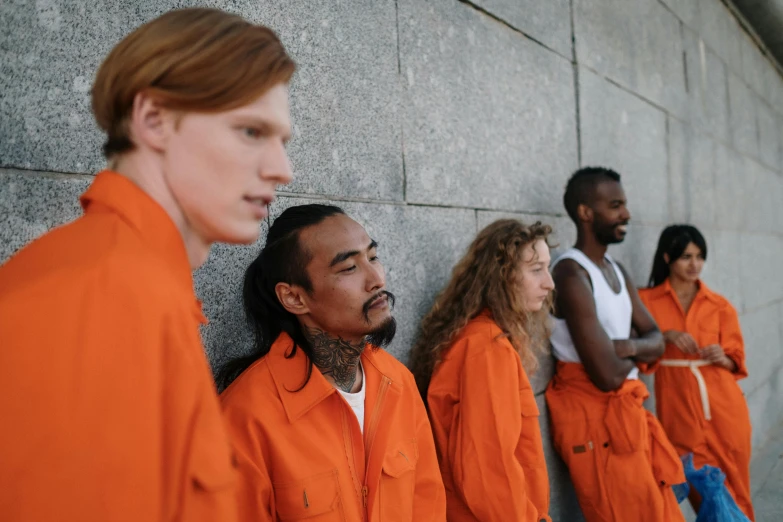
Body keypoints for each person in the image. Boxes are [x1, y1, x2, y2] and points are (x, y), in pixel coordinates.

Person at [0, 8, 294, 521]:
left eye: (282, 141)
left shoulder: (134, 283)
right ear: (153, 120)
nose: (282, 169)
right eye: (251, 132)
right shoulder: (99, 296)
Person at [219, 204, 446, 522]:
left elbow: (428, 505)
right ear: (295, 298)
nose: (376, 279)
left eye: (372, 257)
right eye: (349, 268)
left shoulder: (398, 383)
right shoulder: (246, 415)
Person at [544, 167, 686, 522]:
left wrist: (624, 347)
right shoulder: (570, 273)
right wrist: (638, 348)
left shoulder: (616, 270)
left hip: (626, 414)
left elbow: (656, 338)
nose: (627, 214)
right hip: (596, 423)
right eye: (616, 205)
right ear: (586, 212)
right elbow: (606, 375)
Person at [409, 219, 555, 522]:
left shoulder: (481, 337)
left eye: (547, 267)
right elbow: (489, 466)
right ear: (503, 276)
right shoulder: (487, 347)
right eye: (536, 269)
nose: (549, 283)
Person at [639, 225, 754, 520]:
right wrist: (663, 337)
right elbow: (634, 351)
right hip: (677, 410)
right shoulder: (645, 301)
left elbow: (736, 361)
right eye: (686, 257)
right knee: (697, 489)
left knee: (737, 489)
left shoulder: (720, 306)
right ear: (667, 257)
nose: (695, 265)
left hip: (724, 408)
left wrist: (722, 357)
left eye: (700, 256)